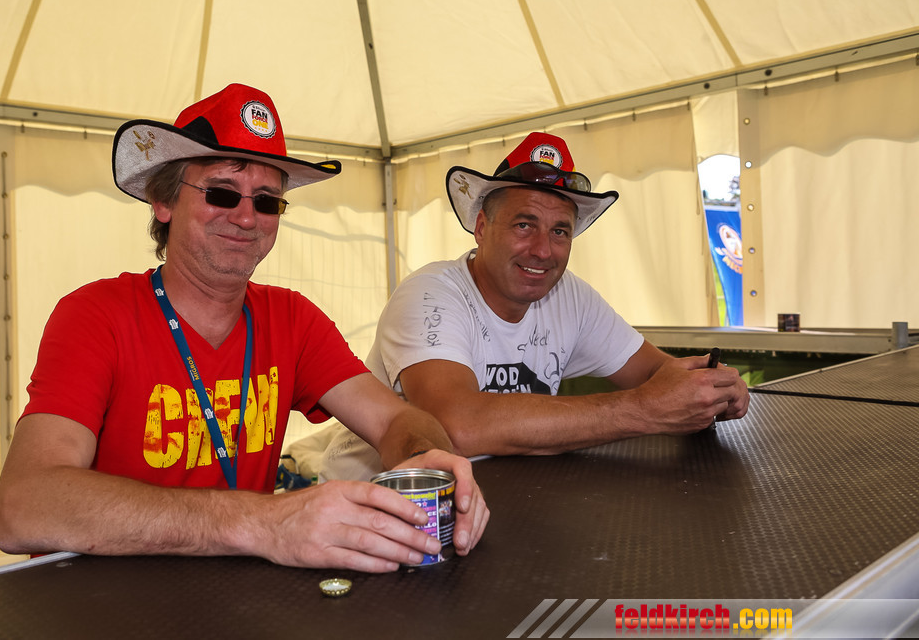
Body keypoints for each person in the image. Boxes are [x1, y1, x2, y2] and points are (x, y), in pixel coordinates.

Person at [0, 83, 488, 573]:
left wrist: (427, 458)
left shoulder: (292, 318)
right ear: (163, 202)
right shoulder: (95, 315)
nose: (247, 217)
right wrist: (263, 520)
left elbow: (396, 420)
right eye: (222, 193)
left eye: (267, 201)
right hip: (108, 598)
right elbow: (23, 505)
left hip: (236, 594)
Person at [321, 131, 750, 479]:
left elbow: (659, 375)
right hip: (372, 510)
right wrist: (644, 410)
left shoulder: (570, 296)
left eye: (560, 231)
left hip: (498, 499)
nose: (543, 251)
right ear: (482, 227)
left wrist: (711, 390)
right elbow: (456, 425)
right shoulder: (430, 294)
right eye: (524, 225)